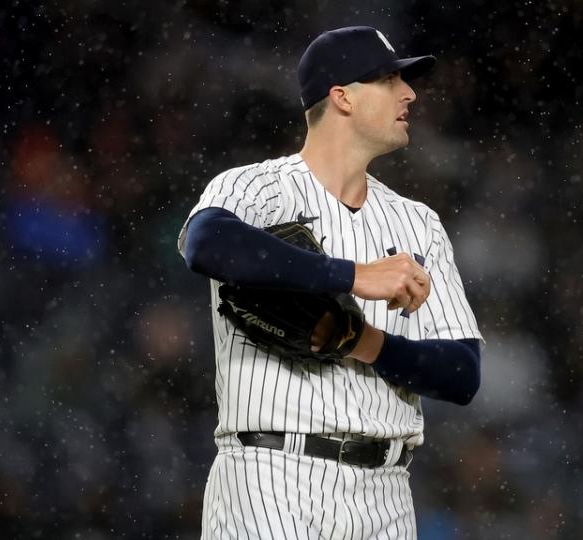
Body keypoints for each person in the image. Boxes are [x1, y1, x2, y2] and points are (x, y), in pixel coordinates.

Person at [177, 26, 483, 539]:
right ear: (341, 96)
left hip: (385, 493)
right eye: (389, 79)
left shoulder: (418, 222)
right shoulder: (257, 186)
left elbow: (461, 373)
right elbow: (205, 244)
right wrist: (353, 276)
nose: (409, 93)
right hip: (269, 475)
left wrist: (358, 340)